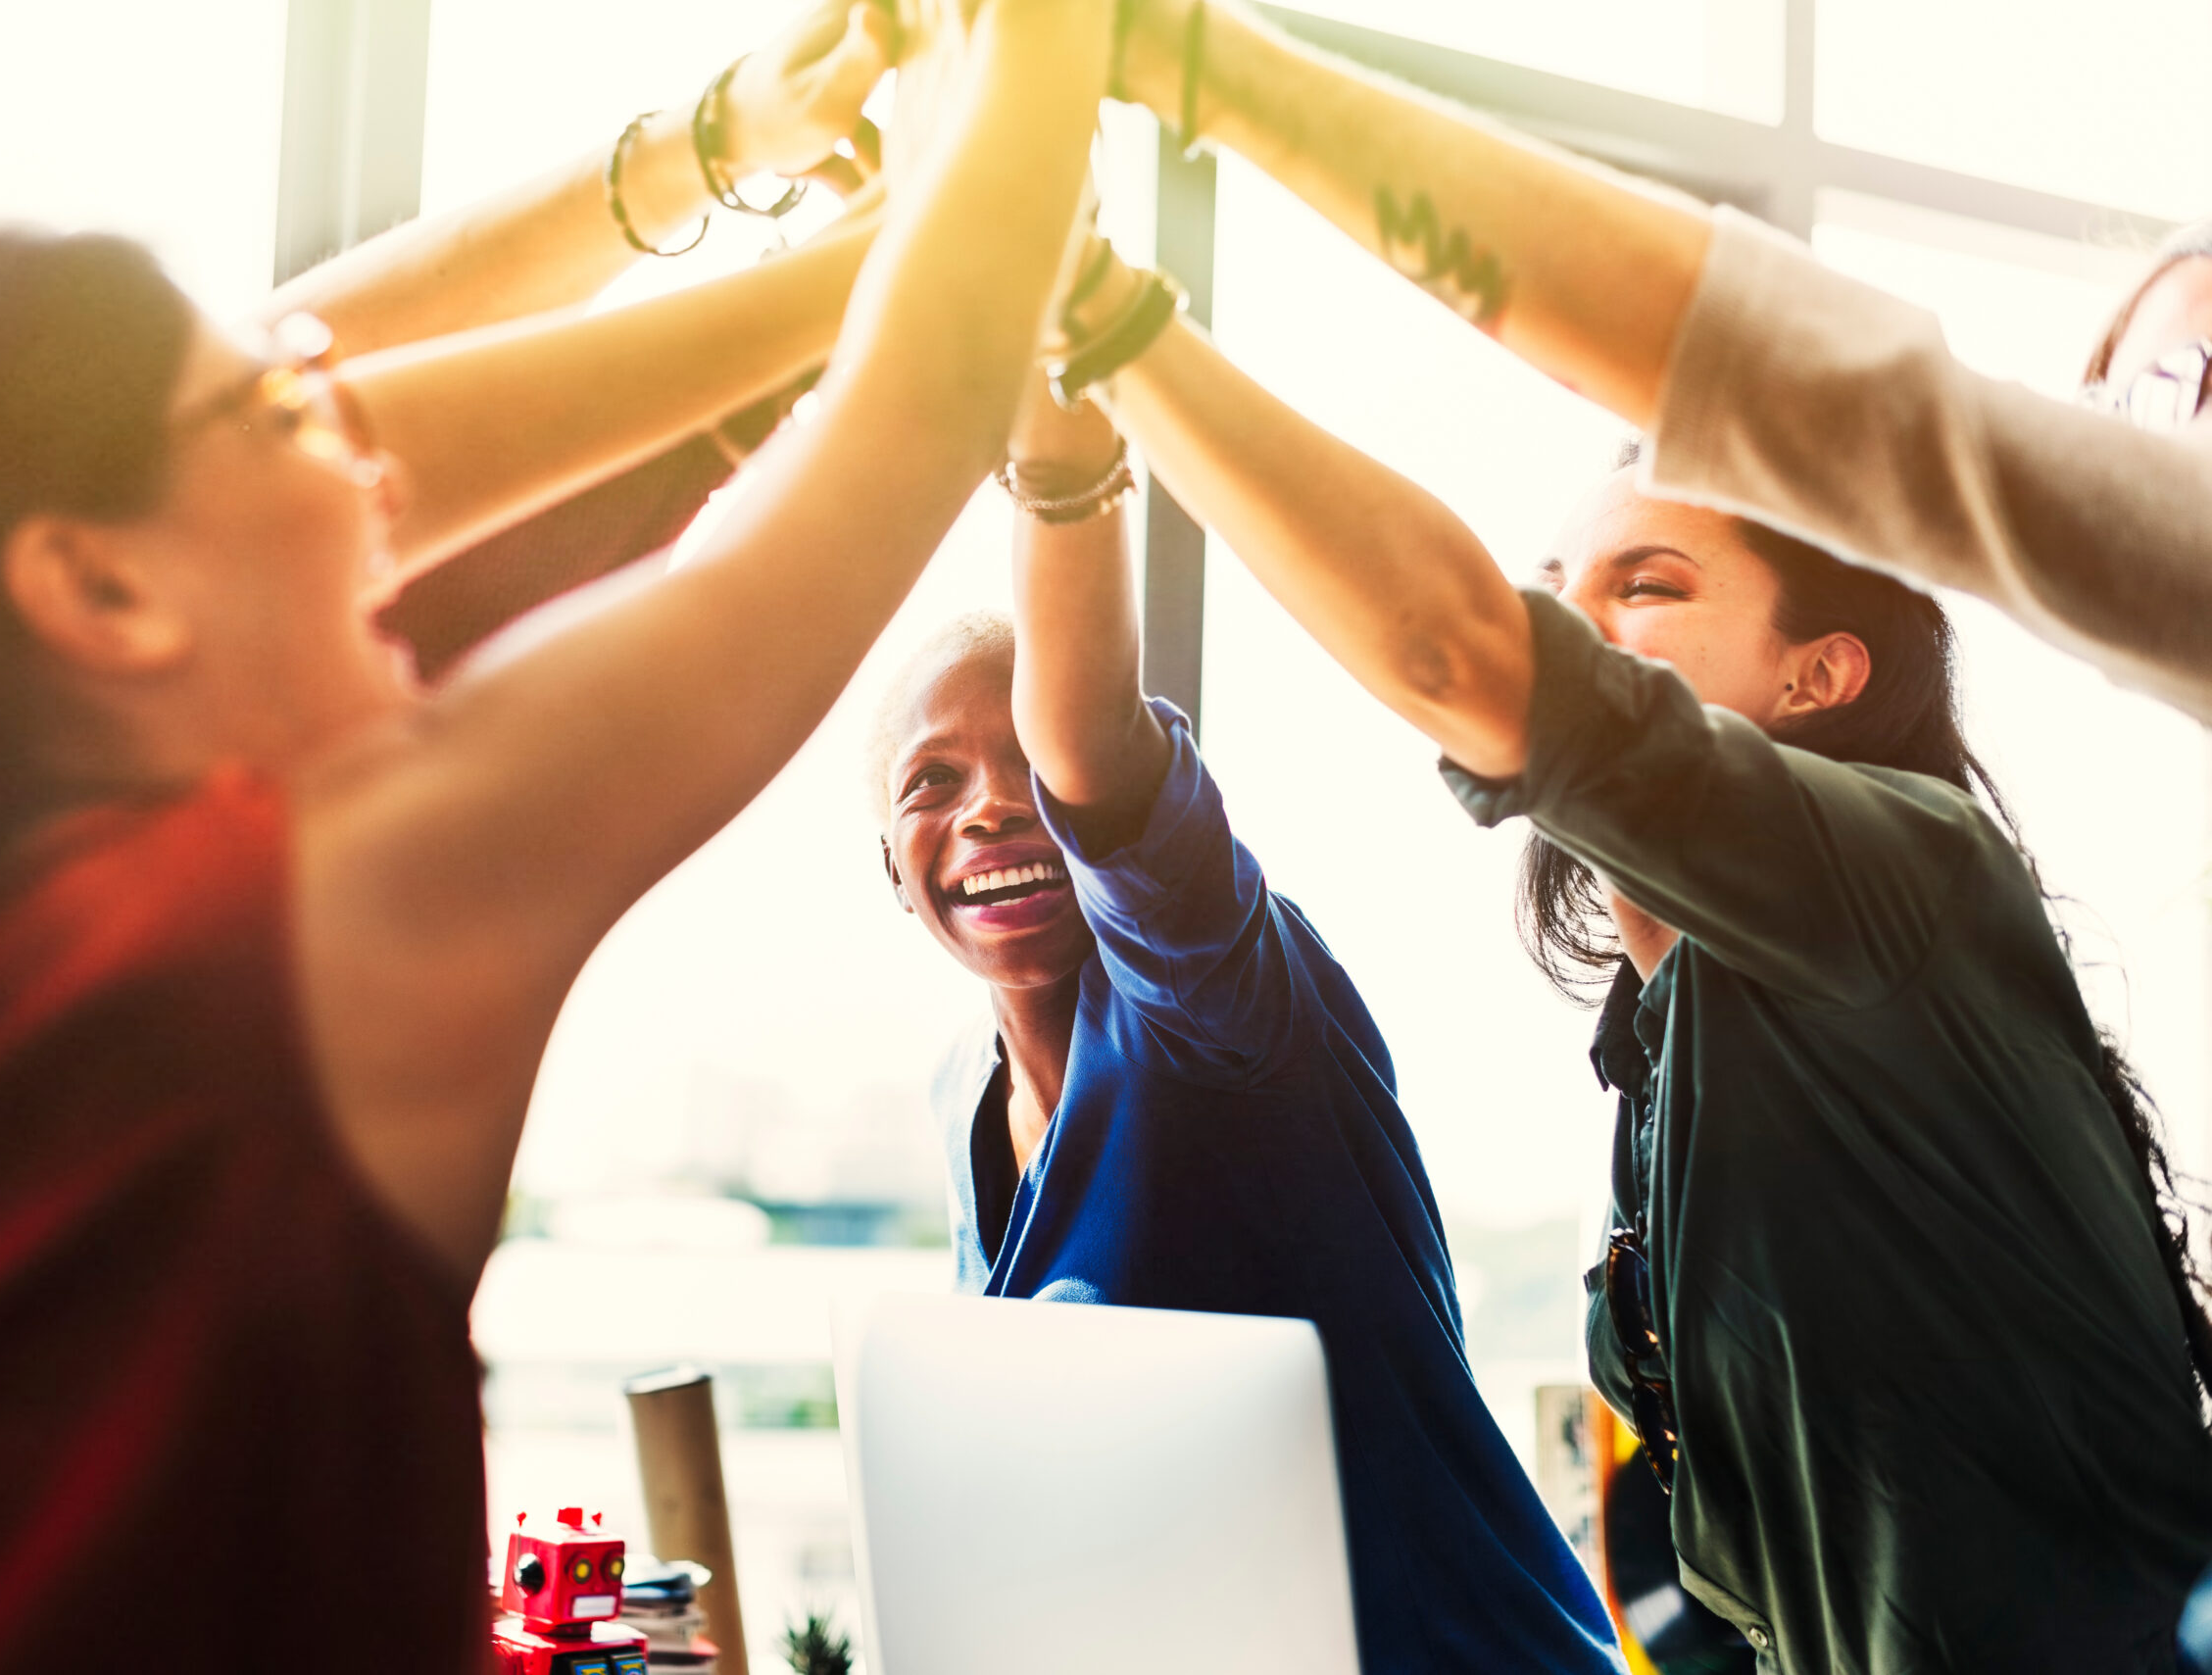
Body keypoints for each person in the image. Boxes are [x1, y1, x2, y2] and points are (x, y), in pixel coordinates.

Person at [0, 0, 1111, 1666]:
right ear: (90, 588)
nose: (376, 476)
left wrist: (790, 208)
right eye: (298, 416)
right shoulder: (279, 928)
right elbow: (904, 423)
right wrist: (1022, 69)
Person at [1058, 233, 2212, 1668]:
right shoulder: (1669, 1034)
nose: (1576, 623)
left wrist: (1110, 335)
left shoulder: (1908, 872)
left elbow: (1468, 655)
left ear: (1819, 673)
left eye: (1646, 586)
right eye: (1560, 580)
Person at [872, 358, 1623, 1668]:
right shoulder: (965, 1101)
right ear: (894, 868)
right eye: (933, 780)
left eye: (1021, 759)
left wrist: (1059, 450)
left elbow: (1095, 753)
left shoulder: (1213, 996)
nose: (994, 805)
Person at [1104, 0, 2212, 721]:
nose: (2133, 464)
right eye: (2113, 414)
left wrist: (1179, 67)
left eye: (2187, 386)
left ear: (1820, 671)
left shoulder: (1886, 881)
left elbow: (1471, 657)